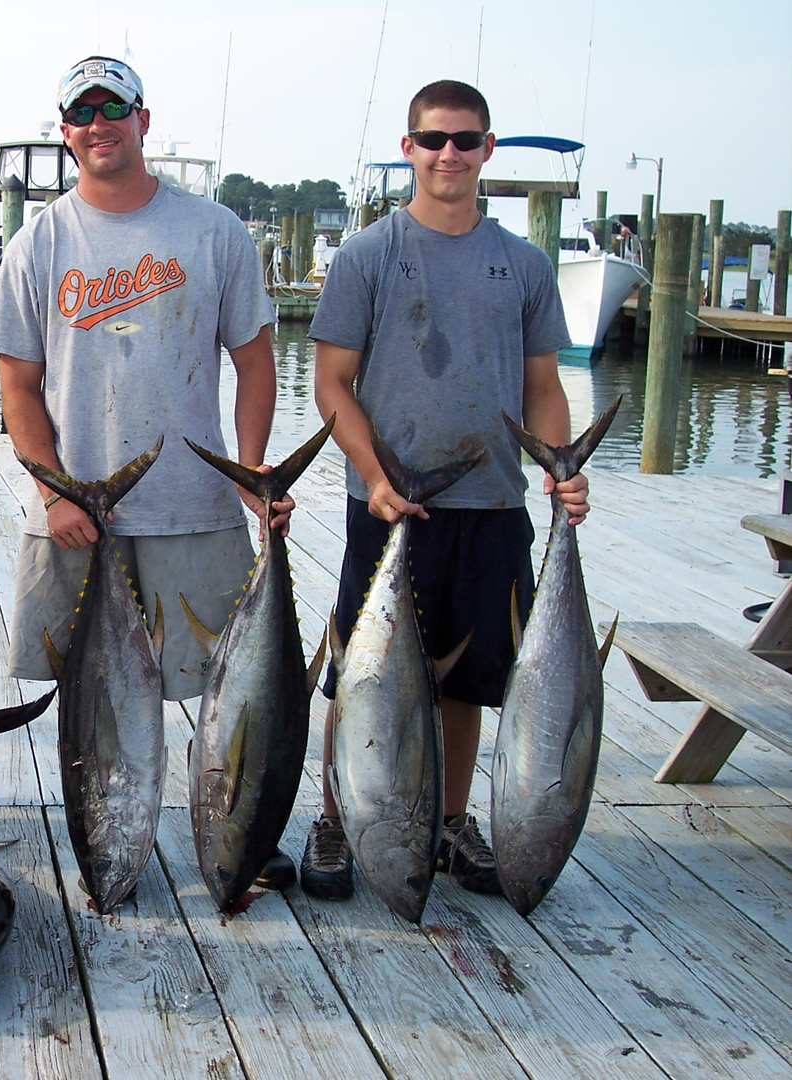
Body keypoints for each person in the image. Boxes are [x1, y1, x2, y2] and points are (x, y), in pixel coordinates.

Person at [0, 56, 296, 885]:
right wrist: (52, 492)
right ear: (64, 132)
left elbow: (256, 364)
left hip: (194, 508)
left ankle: (234, 836)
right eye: (80, 113)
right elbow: (16, 384)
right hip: (73, 518)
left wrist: (249, 468)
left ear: (143, 120)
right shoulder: (38, 242)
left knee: (224, 693)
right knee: (86, 699)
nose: (97, 125)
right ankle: (108, 830)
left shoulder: (214, 231)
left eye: (112, 109)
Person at [303, 79, 584, 900]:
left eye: (465, 140)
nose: (448, 155)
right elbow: (331, 383)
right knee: (362, 674)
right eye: (432, 140)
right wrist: (378, 478)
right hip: (388, 506)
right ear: (408, 147)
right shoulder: (367, 255)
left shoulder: (525, 265)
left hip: (493, 507)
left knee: (470, 677)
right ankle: (334, 816)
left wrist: (561, 466)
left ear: (488, 149)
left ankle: (452, 820)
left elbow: (543, 387)